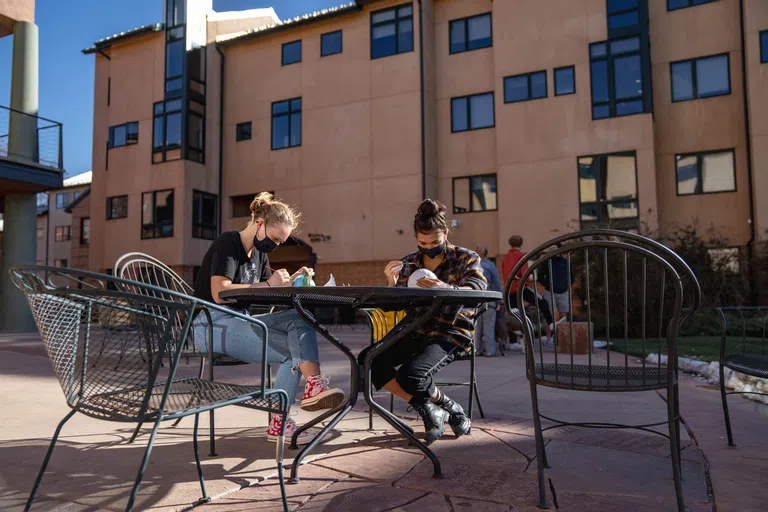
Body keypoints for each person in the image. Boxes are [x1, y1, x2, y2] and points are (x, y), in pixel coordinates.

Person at [192, 192, 345, 445]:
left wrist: (291, 281)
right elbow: (220, 292)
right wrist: (267, 283)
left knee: (299, 318)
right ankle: (281, 420)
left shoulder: (260, 255)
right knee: (292, 353)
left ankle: (313, 386)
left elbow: (265, 294)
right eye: (274, 239)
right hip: (209, 325)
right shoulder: (228, 242)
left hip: (240, 320)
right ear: (259, 223)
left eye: (280, 243)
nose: (274, 246)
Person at [373, 199, 488, 445]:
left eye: (436, 242)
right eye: (423, 243)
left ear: (445, 234)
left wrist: (446, 287)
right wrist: (391, 284)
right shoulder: (410, 262)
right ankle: (437, 407)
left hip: (451, 330)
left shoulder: (466, 258)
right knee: (370, 361)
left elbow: (478, 289)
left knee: (411, 375)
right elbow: (393, 305)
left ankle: (440, 409)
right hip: (417, 328)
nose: (430, 248)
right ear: (416, 237)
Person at [501, 235, 554, 342]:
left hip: (509, 290)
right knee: (543, 303)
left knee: (514, 314)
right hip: (520, 288)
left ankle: (513, 341)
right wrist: (528, 282)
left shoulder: (505, 258)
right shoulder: (521, 256)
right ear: (521, 244)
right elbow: (524, 274)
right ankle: (551, 324)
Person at [474, 243, 503, 357]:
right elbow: (496, 284)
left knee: (477, 327)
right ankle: (490, 350)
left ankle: (477, 349)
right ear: (487, 253)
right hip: (488, 299)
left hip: (475, 299)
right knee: (489, 326)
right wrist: (499, 301)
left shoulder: (472, 264)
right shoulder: (490, 265)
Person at [538, 243, 575, 321]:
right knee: (549, 314)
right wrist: (548, 285)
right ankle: (550, 333)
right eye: (550, 248)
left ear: (559, 249)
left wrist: (566, 286)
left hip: (563, 291)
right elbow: (540, 276)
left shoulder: (565, 262)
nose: (552, 249)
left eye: (554, 247)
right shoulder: (546, 262)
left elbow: (571, 276)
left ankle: (563, 333)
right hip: (550, 292)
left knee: (563, 313)